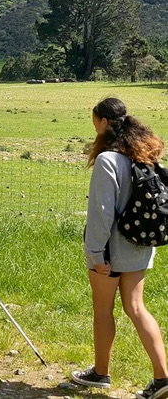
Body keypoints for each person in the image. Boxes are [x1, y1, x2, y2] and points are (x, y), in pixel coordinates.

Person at [71, 98, 168, 398]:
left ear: (102, 123)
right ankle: (163, 378)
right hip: (140, 246)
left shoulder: (107, 160)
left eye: (94, 121)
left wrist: (95, 255)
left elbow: (101, 213)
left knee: (103, 310)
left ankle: (100, 373)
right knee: (136, 308)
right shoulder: (146, 155)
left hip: (111, 252)